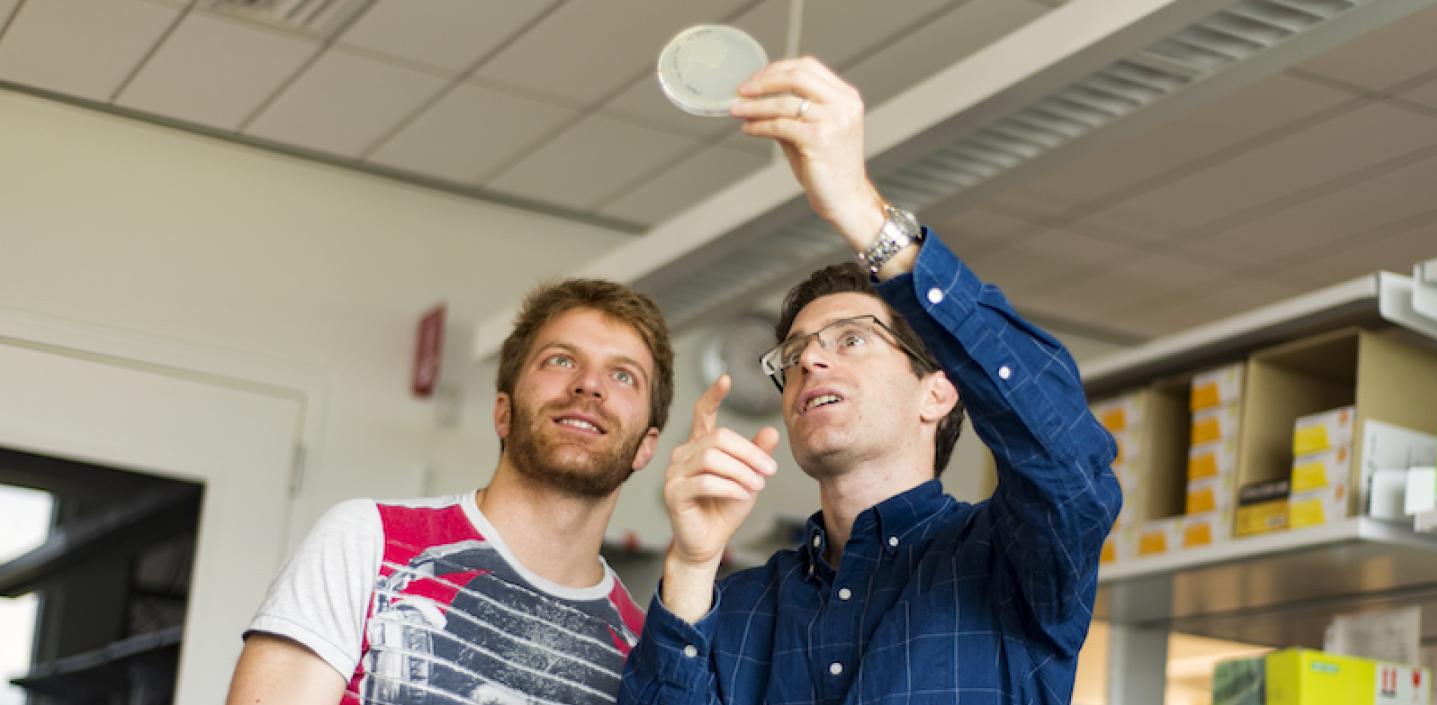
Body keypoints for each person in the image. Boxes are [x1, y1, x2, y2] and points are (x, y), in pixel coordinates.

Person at [619, 57, 1122, 704]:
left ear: (939, 390)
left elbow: (1066, 451)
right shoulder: (738, 606)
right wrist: (690, 565)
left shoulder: (1010, 563)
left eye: (850, 340)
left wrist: (863, 213)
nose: (810, 363)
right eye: (795, 353)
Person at [226, 279, 674, 705]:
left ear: (646, 447)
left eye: (623, 376)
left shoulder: (638, 649)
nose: (589, 385)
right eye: (561, 360)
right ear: (503, 412)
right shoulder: (367, 542)